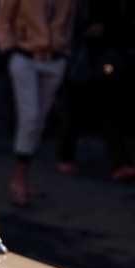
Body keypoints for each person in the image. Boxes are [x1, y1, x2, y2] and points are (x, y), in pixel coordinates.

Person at [0, 0, 78, 206]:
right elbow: (3, 19)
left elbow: (69, 22)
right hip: (25, 56)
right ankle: (19, 180)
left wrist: (65, 52)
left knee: (39, 121)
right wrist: (9, 50)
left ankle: (24, 177)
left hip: (55, 60)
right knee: (29, 118)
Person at [55, 0, 135, 182]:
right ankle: (66, 156)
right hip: (81, 58)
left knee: (107, 109)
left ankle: (120, 163)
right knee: (75, 110)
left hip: (106, 59)